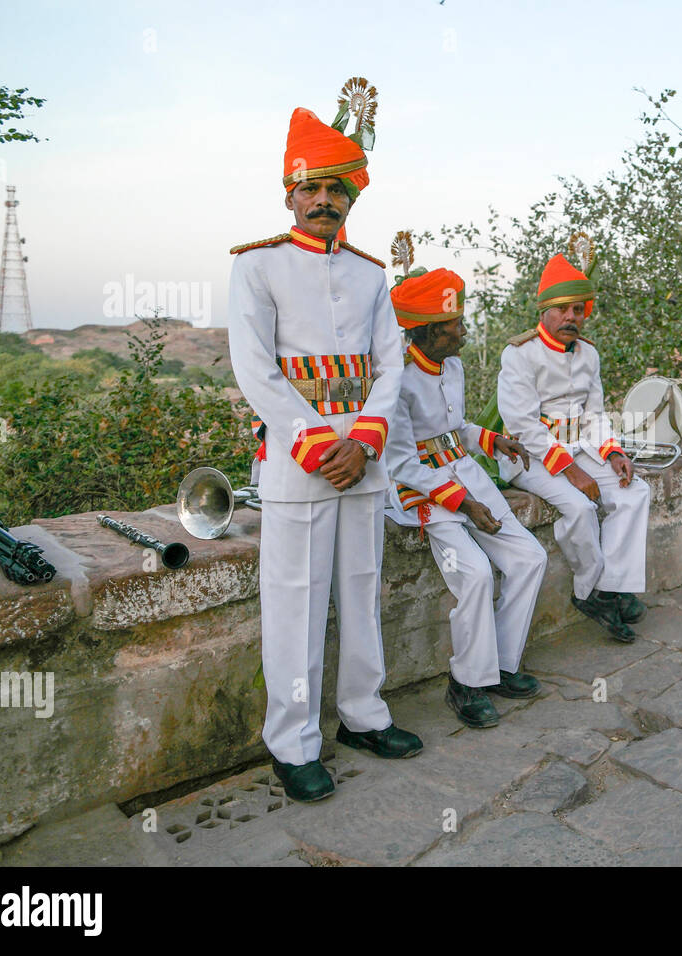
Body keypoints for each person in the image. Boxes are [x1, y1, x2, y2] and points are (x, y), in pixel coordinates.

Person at [227, 90, 422, 803]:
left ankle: (365, 716)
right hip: (297, 462)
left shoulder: (373, 276)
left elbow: (390, 365)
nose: (323, 200)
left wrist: (365, 441)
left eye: (336, 188)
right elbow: (256, 369)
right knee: (295, 603)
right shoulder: (257, 267)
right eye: (310, 187)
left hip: (363, 461)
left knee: (363, 592)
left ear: (351, 198)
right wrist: (316, 444)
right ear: (290, 195)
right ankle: (294, 741)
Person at [382, 237, 548, 729]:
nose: (462, 330)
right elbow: (402, 462)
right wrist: (464, 505)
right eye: (453, 324)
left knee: (529, 557)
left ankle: (498, 666)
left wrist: (493, 440)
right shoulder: (396, 380)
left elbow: (454, 430)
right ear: (428, 332)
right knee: (474, 574)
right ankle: (467, 683)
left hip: (466, 474)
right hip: (422, 495)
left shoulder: (451, 365)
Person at [496, 236, 650, 642]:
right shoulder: (519, 354)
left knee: (633, 492)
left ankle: (611, 587)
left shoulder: (589, 354)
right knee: (580, 510)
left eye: (578, 310)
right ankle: (591, 591)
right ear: (544, 311)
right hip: (530, 457)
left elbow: (594, 415)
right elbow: (524, 425)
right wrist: (569, 469)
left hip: (580, 447)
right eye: (562, 309)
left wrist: (613, 452)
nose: (572, 317)